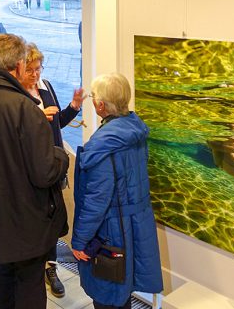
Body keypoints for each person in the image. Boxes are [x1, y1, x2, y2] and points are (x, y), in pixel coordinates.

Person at [0, 33, 69, 309]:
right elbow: (45, 172)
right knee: (30, 285)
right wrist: (61, 156)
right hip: (26, 221)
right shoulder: (26, 110)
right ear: (19, 65)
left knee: (3, 274)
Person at [71, 73, 163, 309]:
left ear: (101, 105)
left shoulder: (103, 145)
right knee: (123, 294)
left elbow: (96, 202)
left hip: (111, 232)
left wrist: (79, 240)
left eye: (93, 97)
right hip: (134, 226)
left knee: (108, 295)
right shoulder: (135, 131)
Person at [17, 42, 84, 298]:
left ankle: (51, 269)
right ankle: (35, 267)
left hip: (53, 166)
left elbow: (58, 123)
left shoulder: (47, 87)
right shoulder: (18, 99)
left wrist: (74, 107)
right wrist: (37, 118)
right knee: (37, 221)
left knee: (55, 220)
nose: (35, 74)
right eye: (30, 70)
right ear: (19, 69)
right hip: (32, 170)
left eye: (38, 68)